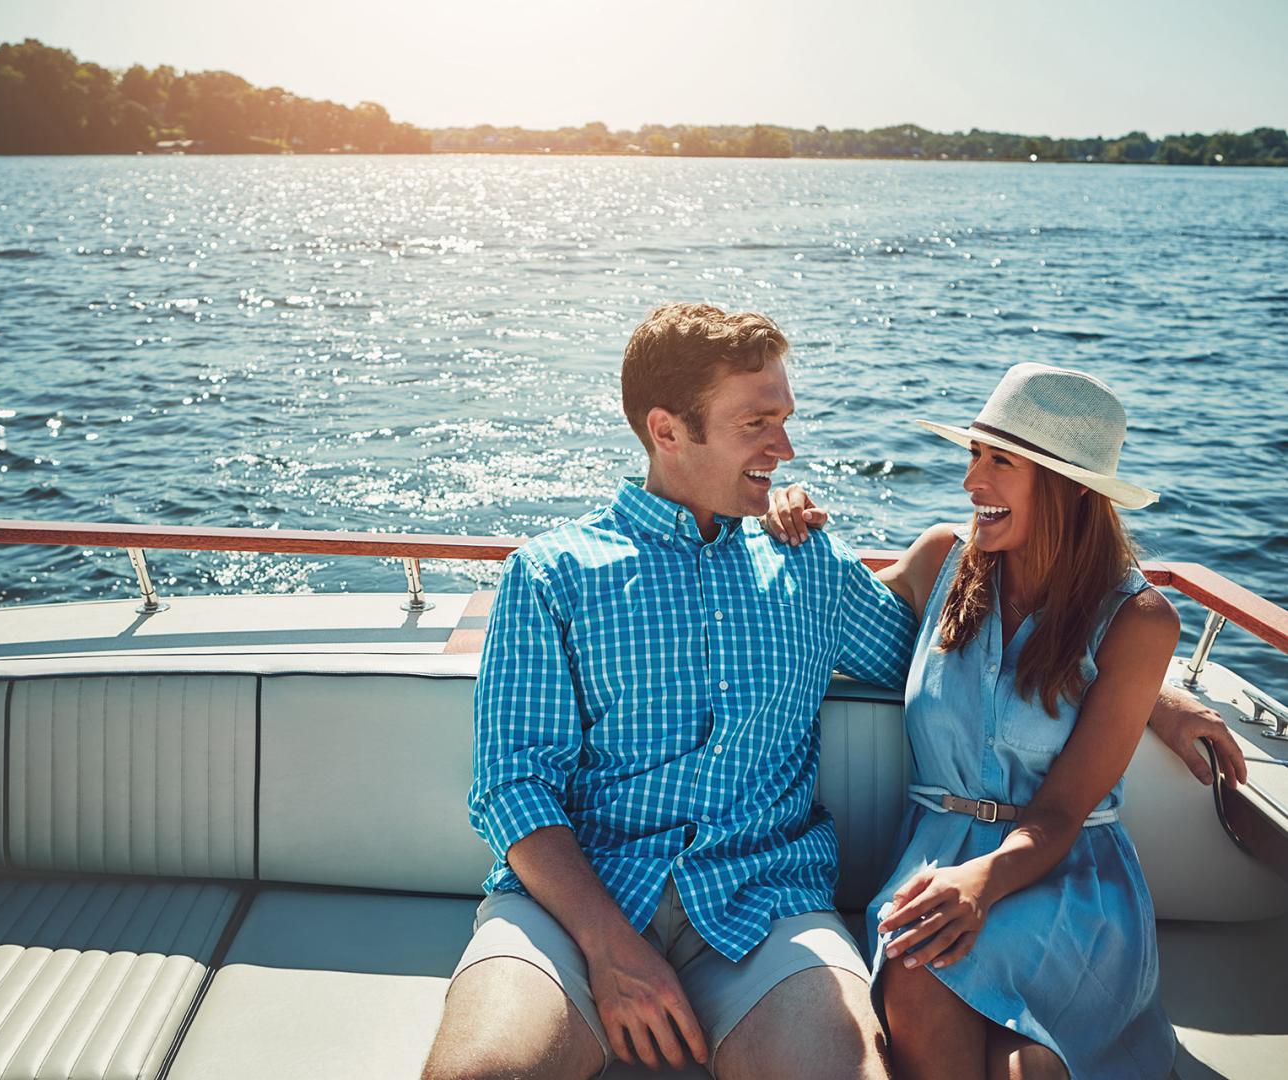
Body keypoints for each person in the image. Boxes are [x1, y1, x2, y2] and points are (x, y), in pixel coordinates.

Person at [421, 306, 1239, 1080]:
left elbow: (950, 661)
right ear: (666, 430)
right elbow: (511, 788)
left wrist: (1149, 696)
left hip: (765, 910)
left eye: (784, 419)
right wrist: (609, 949)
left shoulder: (806, 563)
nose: (784, 447)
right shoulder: (552, 574)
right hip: (572, 911)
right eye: (756, 424)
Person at [763, 362, 1237, 1079]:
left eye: (998, 461)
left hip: (1066, 877)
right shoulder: (940, 562)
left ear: (1070, 488)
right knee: (919, 963)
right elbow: (830, 613)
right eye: (972, 454)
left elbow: (1061, 811)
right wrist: (787, 518)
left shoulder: (1138, 621)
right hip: (934, 860)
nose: (970, 482)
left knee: (1032, 1070)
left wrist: (1150, 695)